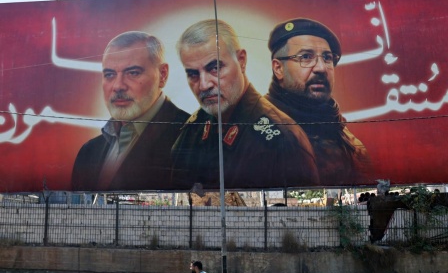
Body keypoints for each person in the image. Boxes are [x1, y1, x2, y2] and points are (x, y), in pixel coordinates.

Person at [171, 19, 319, 189]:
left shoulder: (283, 140)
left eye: (215, 68)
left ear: (241, 61)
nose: (204, 85)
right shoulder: (191, 132)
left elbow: (300, 211)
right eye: (193, 74)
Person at [72, 31, 189, 191]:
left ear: (162, 75)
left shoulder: (192, 138)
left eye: (133, 73)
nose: (118, 86)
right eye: (110, 74)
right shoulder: (88, 152)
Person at [265, 18, 372, 186]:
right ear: (278, 68)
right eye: (306, 57)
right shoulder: (258, 129)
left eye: (327, 58)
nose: (321, 68)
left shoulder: (350, 143)